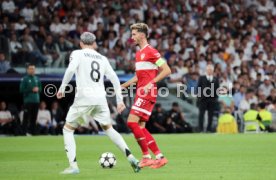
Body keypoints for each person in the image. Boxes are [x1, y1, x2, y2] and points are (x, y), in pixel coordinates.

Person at [56, 32, 140, 174]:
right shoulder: (102, 58)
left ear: (81, 43)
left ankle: (73, 166)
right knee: (108, 128)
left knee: (68, 129)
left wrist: (63, 87)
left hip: (84, 97)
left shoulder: (77, 53)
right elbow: (114, 78)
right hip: (101, 99)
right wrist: (119, 100)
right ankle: (130, 156)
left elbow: (70, 69)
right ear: (94, 43)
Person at [121, 23, 171, 169]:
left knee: (131, 122)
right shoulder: (138, 54)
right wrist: (124, 85)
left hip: (147, 92)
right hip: (141, 91)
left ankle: (146, 157)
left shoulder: (152, 52)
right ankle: (160, 157)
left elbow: (167, 70)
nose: (132, 37)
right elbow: (139, 76)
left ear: (142, 35)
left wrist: (152, 82)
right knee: (141, 127)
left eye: (134, 34)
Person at [20, 64, 41, 135]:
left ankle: (33, 132)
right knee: (26, 117)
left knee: (34, 118)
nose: (32, 70)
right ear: (27, 70)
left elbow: (40, 88)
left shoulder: (37, 78)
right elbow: (21, 89)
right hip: (28, 101)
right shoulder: (25, 79)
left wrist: (38, 89)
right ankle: (23, 132)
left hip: (36, 101)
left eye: (33, 69)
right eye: (30, 69)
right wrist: (31, 89)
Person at [197, 64, 220, 132]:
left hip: (212, 100)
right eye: (208, 70)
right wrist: (199, 97)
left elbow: (217, 89)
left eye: (211, 70)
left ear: (213, 71)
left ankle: (208, 129)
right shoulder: (202, 78)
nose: (209, 71)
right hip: (203, 99)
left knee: (211, 115)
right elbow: (199, 88)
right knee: (201, 115)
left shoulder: (216, 79)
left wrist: (215, 98)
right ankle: (200, 129)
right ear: (206, 70)